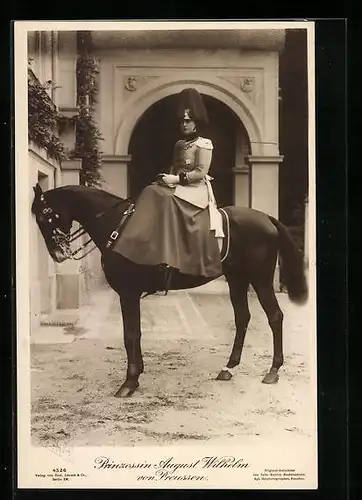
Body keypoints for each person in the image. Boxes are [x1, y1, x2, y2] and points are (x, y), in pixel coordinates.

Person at [113, 87, 224, 285]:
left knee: (165, 198)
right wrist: (166, 177)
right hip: (178, 185)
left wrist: (175, 181)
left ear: (197, 122)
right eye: (182, 121)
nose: (184, 124)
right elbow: (174, 166)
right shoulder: (179, 144)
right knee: (151, 191)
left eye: (188, 120)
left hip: (195, 189)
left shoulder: (204, 144)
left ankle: (170, 256)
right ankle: (138, 243)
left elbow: (200, 172)